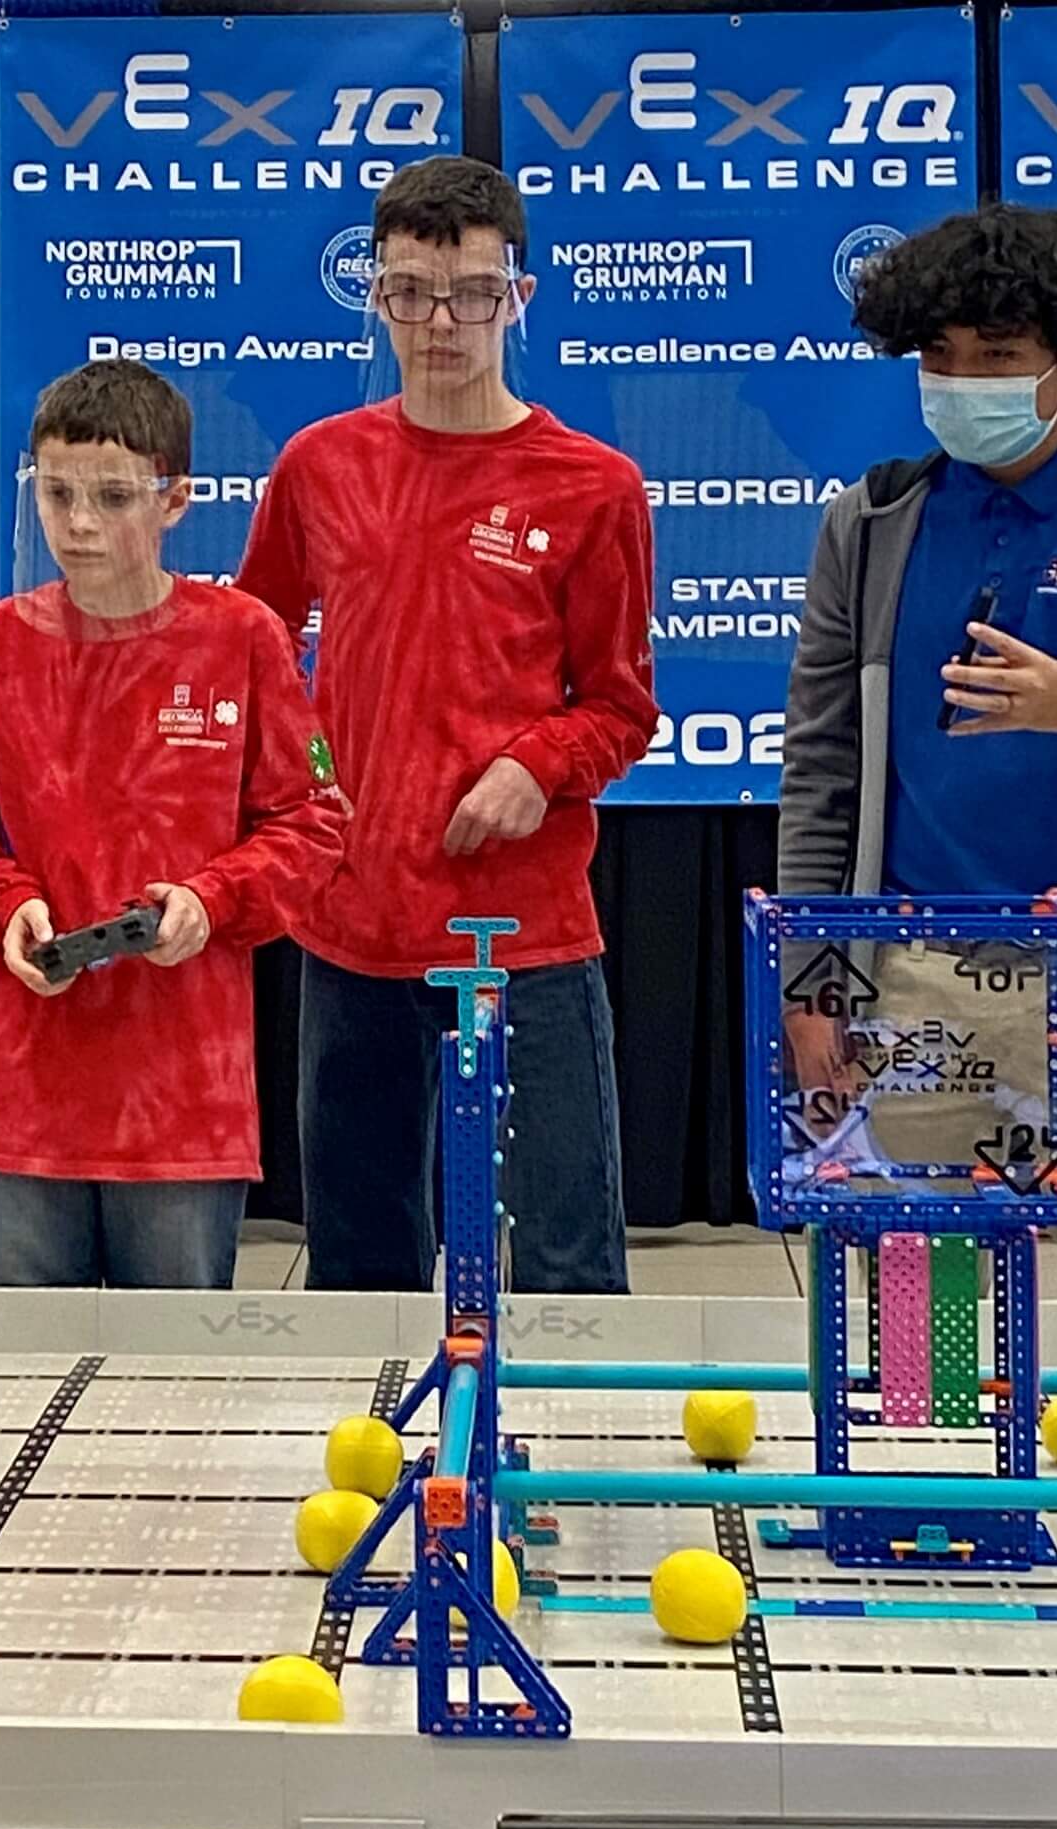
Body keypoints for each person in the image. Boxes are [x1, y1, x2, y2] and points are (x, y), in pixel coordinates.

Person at [237, 156, 658, 1293]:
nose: (440, 320)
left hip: (521, 932)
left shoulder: (593, 484)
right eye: (411, 289)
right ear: (375, 295)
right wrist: (309, 779)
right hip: (353, 924)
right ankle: (377, 1466)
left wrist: (538, 761)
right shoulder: (320, 465)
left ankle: (577, 1467)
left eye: (472, 291)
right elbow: (255, 653)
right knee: (361, 1258)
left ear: (518, 296)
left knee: (569, 1255)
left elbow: (622, 706)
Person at [780, 203, 1057, 1300]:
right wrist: (811, 986)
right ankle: (937, 1478)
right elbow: (822, 774)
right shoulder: (873, 521)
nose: (962, 381)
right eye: (940, 357)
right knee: (926, 1346)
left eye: (998, 357)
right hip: (914, 990)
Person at [0, 359, 345, 1289]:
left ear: (176, 499)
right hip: (26, 1085)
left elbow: (312, 823)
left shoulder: (241, 639)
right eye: (57, 493)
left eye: (111, 497)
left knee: (178, 1388)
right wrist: (2, 903)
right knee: (17, 1378)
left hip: (183, 1090)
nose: (78, 524)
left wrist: (210, 900)